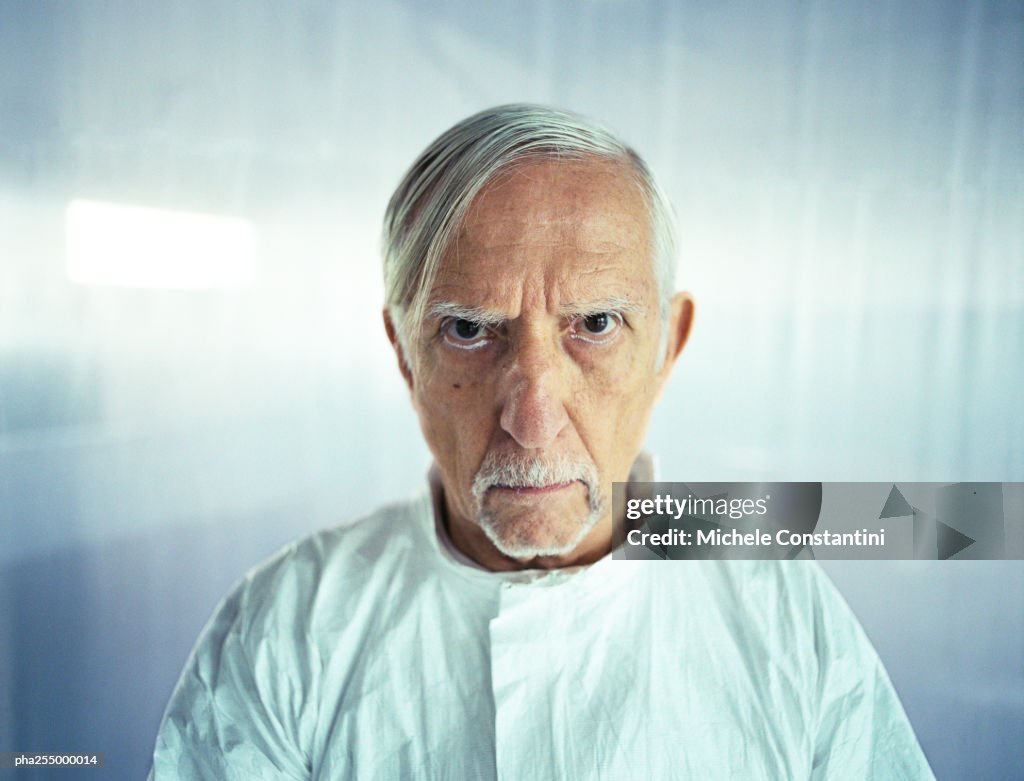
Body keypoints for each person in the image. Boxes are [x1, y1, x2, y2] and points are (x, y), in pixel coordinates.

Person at [149, 105, 934, 779]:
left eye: (596, 324)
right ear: (403, 353)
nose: (532, 419)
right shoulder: (289, 625)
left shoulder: (779, 606)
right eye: (466, 329)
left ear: (668, 344)